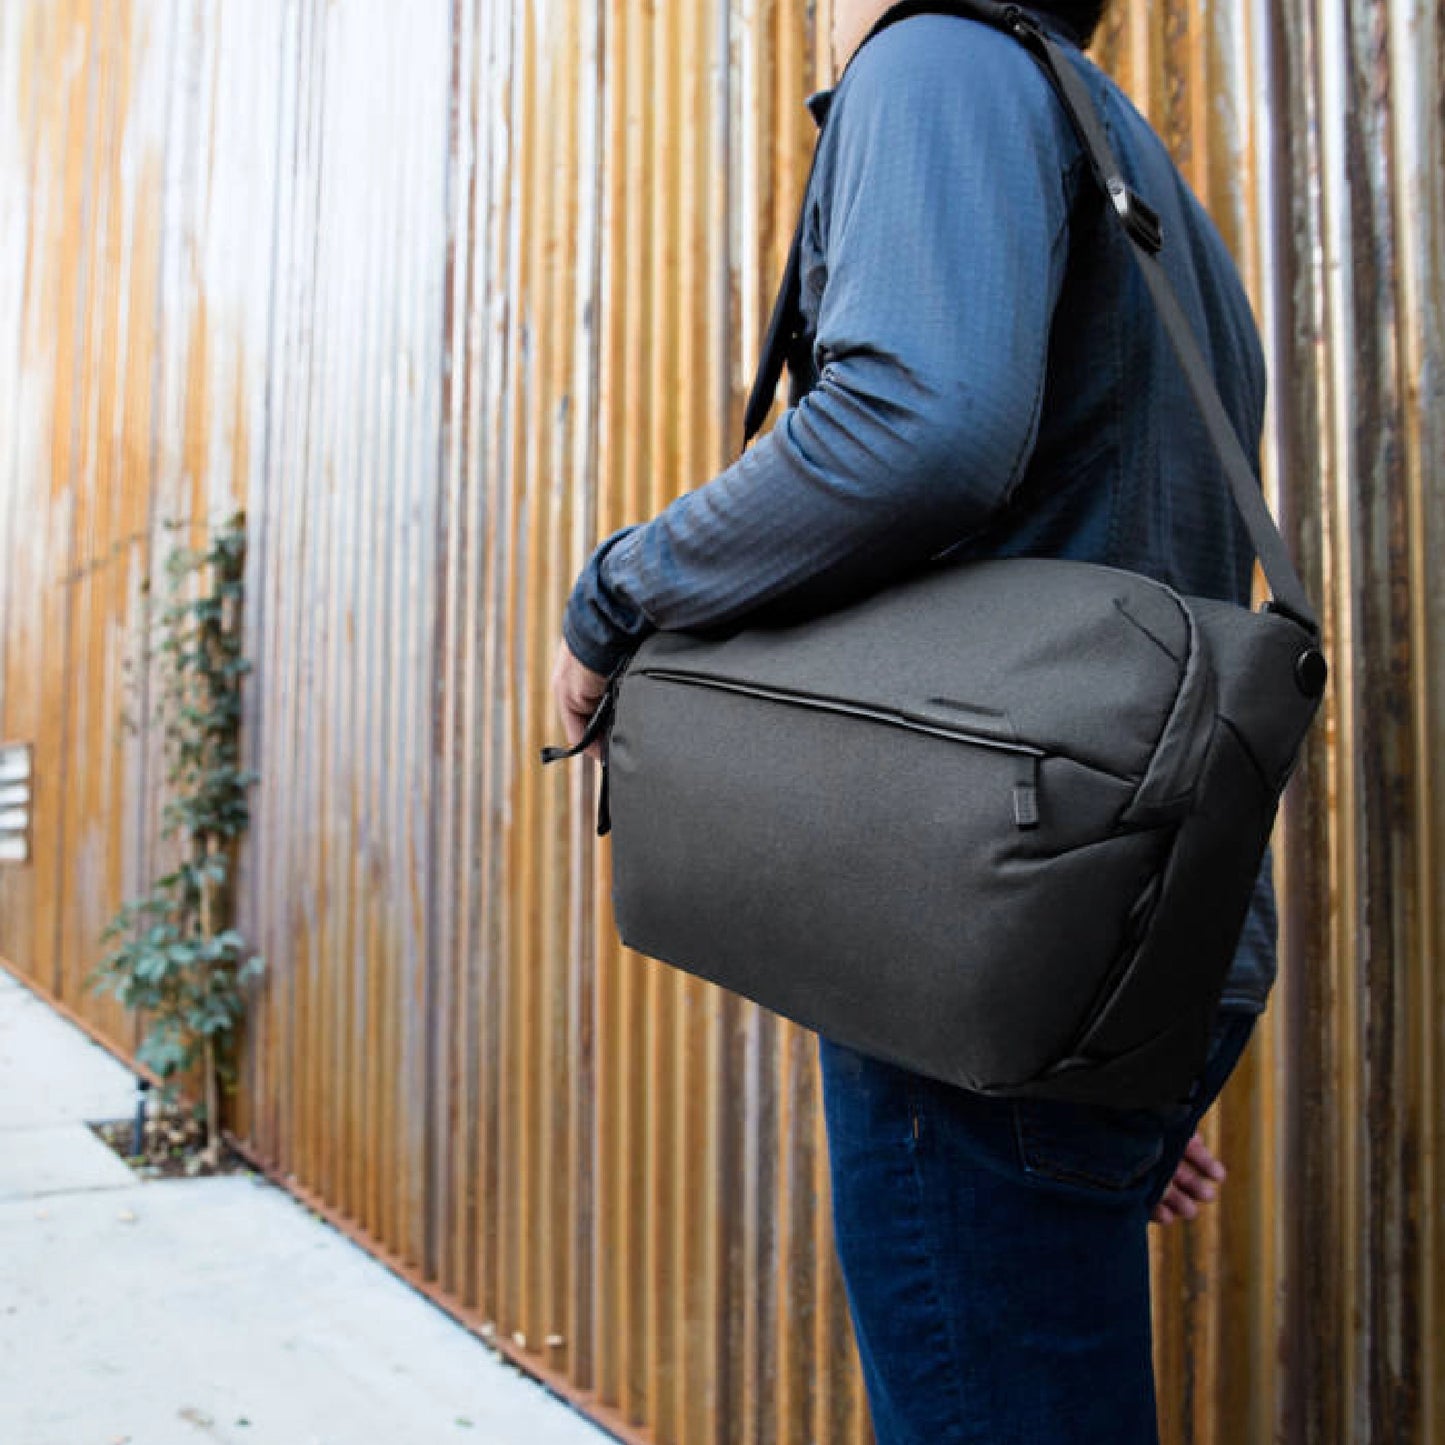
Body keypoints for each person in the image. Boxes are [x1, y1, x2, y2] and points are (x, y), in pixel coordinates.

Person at [552, 1, 1275, 1438]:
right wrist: (1126, 1049)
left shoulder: (937, 63)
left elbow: (916, 426)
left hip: (985, 930)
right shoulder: (1126, 163)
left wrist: (615, 593)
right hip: (1102, 936)